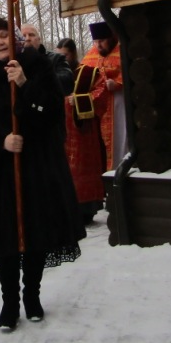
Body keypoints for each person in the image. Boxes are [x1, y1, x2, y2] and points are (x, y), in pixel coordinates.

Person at [0, 18, 85, 331]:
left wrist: (24, 84)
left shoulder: (38, 67)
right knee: (5, 239)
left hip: (37, 167)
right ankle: (9, 302)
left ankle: (32, 294)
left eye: (4, 36)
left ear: (16, 39)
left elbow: (53, 113)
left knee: (35, 234)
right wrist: (1, 143)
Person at [57, 38, 107, 223]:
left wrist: (78, 100)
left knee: (84, 170)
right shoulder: (56, 74)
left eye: (65, 55)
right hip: (63, 130)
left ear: (73, 54)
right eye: (59, 55)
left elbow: (101, 94)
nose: (62, 59)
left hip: (83, 133)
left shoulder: (88, 73)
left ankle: (87, 210)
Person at [81, 21, 126, 171]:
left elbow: (131, 73)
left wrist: (118, 83)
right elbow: (82, 75)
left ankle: (120, 167)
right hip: (99, 108)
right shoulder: (92, 54)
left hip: (119, 104)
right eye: (96, 41)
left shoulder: (122, 51)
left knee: (120, 137)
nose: (98, 45)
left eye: (102, 41)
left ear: (111, 38)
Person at [20, 23, 74, 96]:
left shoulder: (56, 59)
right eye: (23, 36)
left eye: (31, 35)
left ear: (39, 39)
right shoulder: (14, 61)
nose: (27, 39)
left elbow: (67, 83)